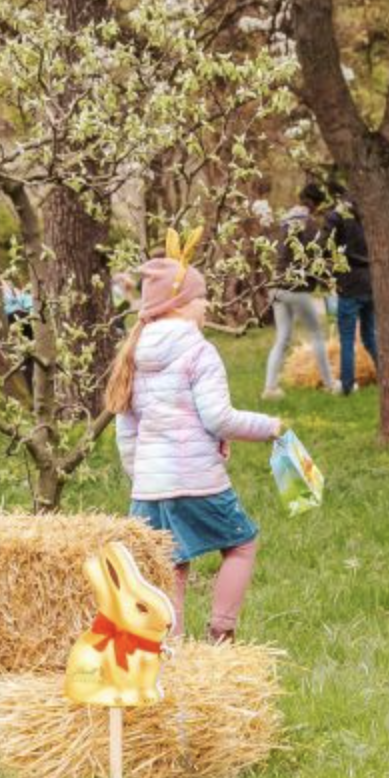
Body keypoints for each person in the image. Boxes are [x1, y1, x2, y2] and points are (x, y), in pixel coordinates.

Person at [106, 240, 282, 644]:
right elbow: (218, 417)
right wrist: (270, 426)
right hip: (196, 480)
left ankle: (173, 648)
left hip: (149, 488)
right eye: (201, 298)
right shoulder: (199, 351)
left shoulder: (132, 353)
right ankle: (222, 633)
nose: (206, 306)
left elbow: (126, 432)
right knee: (242, 542)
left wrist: (143, 477)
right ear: (180, 304)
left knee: (171, 563)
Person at [262, 184, 338, 399]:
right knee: (316, 334)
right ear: (313, 203)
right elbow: (316, 257)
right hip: (296, 288)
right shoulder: (309, 225)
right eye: (318, 205)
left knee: (282, 337)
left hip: (277, 286)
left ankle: (270, 388)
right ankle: (330, 384)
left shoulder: (285, 221)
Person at [325, 188, 378, 394]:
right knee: (369, 336)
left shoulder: (338, 218)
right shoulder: (367, 218)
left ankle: (347, 385)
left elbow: (326, 243)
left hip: (349, 283)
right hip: (369, 281)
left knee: (347, 338)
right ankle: (387, 375)